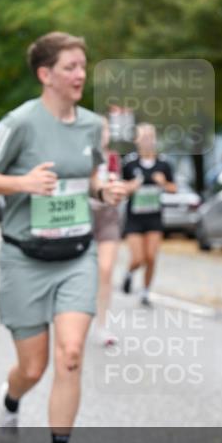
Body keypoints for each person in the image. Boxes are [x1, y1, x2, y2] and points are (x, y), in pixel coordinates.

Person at [0, 32, 128, 443]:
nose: (81, 74)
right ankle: (12, 397)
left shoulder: (94, 125)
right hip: (25, 258)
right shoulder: (18, 123)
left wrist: (103, 190)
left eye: (83, 66)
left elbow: (94, 173)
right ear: (45, 74)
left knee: (72, 354)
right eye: (70, 67)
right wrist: (22, 184)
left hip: (77, 254)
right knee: (33, 368)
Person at [120, 123, 177, 307]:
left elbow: (173, 188)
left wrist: (163, 184)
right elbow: (120, 188)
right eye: (143, 137)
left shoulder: (163, 164)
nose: (147, 141)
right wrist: (131, 187)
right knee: (138, 258)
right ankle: (129, 273)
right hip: (134, 218)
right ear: (136, 140)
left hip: (154, 216)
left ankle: (145, 292)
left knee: (151, 257)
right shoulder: (129, 164)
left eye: (150, 137)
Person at [92, 118, 124, 347]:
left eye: (106, 130)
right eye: (99, 130)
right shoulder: (83, 155)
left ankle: (102, 325)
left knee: (105, 270)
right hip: (82, 215)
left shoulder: (113, 157)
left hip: (108, 217)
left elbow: (118, 183)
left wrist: (119, 188)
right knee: (83, 272)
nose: (103, 134)